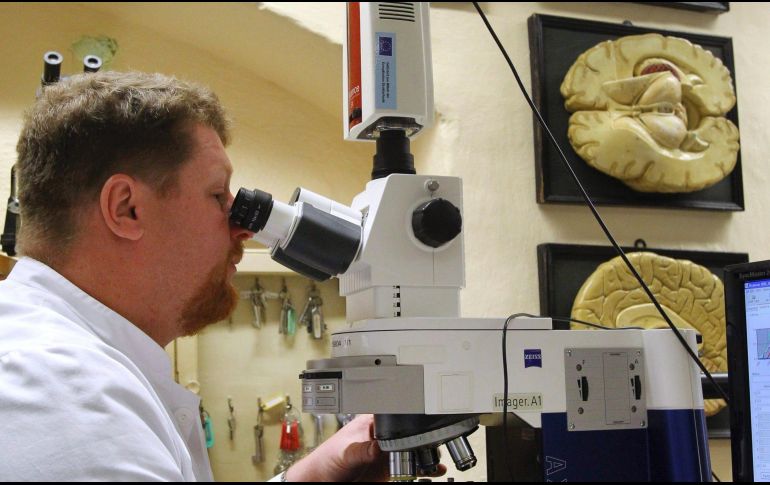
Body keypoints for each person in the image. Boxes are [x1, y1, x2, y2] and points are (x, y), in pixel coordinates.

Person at [0, 71, 391, 481]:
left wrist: (311, 477)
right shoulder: (63, 392)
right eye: (218, 196)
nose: (243, 229)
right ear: (126, 208)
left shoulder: (69, 363)